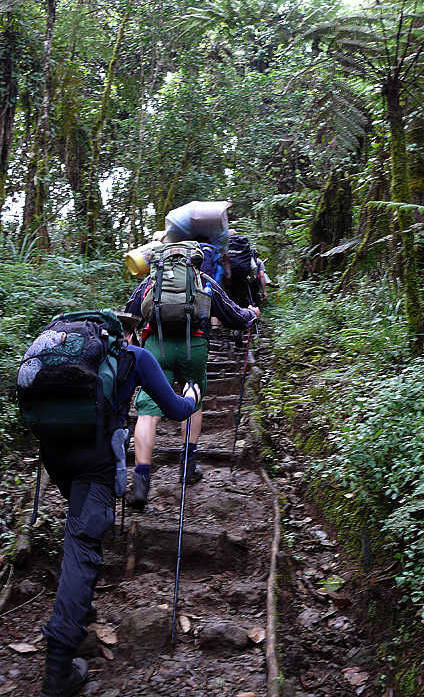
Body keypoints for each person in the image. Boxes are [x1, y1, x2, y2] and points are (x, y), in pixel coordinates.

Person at [38, 315, 200, 697]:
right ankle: (58, 667)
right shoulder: (134, 356)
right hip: (94, 458)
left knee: (80, 530)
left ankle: (80, 608)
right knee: (83, 545)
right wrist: (192, 394)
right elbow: (175, 410)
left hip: (54, 452)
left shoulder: (63, 352)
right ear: (123, 333)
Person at [125, 266, 260, 509]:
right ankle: (188, 466)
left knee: (148, 410)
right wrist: (251, 314)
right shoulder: (201, 279)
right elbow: (233, 315)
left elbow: (129, 315)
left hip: (157, 347)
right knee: (193, 399)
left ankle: (141, 480)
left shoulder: (150, 280)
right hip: (194, 346)